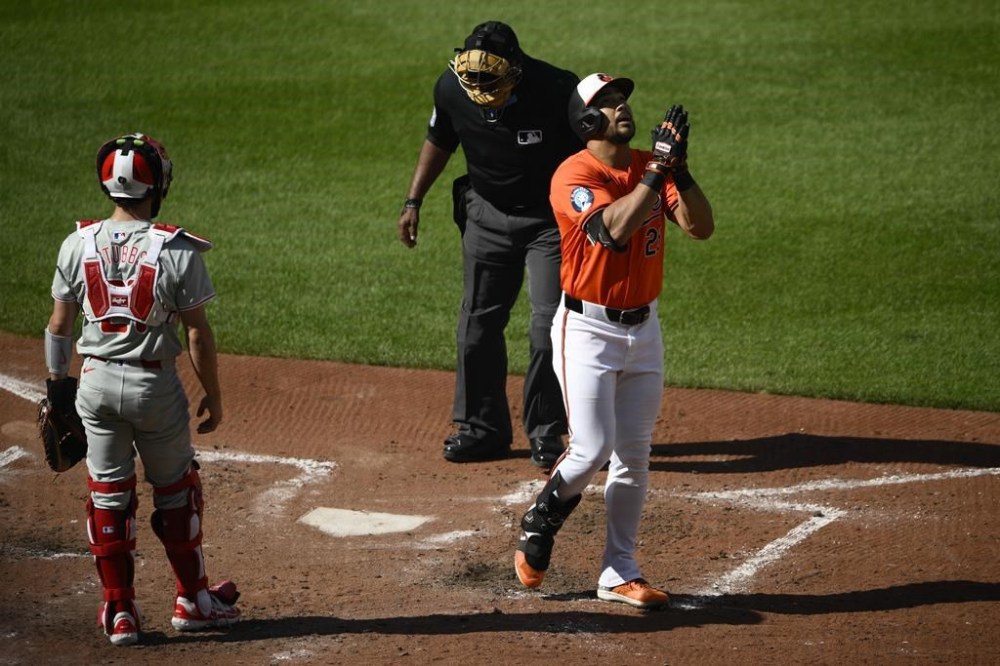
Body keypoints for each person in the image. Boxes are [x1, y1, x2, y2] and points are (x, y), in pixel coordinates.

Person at [513, 74, 715, 608]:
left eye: (621, 99)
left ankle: (618, 571)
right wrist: (654, 173)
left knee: (634, 456)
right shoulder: (574, 174)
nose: (619, 107)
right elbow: (612, 230)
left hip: (644, 330)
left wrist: (681, 172)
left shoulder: (654, 164)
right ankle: (543, 515)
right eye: (604, 103)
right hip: (587, 329)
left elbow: (701, 228)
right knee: (592, 448)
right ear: (583, 121)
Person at [44, 132, 241, 646]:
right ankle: (194, 601)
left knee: (108, 496)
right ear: (158, 185)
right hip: (155, 387)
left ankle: (120, 613)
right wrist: (214, 396)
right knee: (178, 491)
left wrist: (56, 385)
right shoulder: (176, 248)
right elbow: (197, 331)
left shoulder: (76, 242)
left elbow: (59, 325)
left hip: (94, 384)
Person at [397, 21, 583, 470]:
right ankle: (482, 429)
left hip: (549, 222)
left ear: (515, 69)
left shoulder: (559, 89)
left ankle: (546, 430)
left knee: (547, 327)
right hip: (486, 213)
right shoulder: (453, 87)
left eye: (490, 78)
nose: (479, 87)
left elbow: (593, 153)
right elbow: (439, 140)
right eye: (472, 78)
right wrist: (412, 199)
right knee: (476, 325)